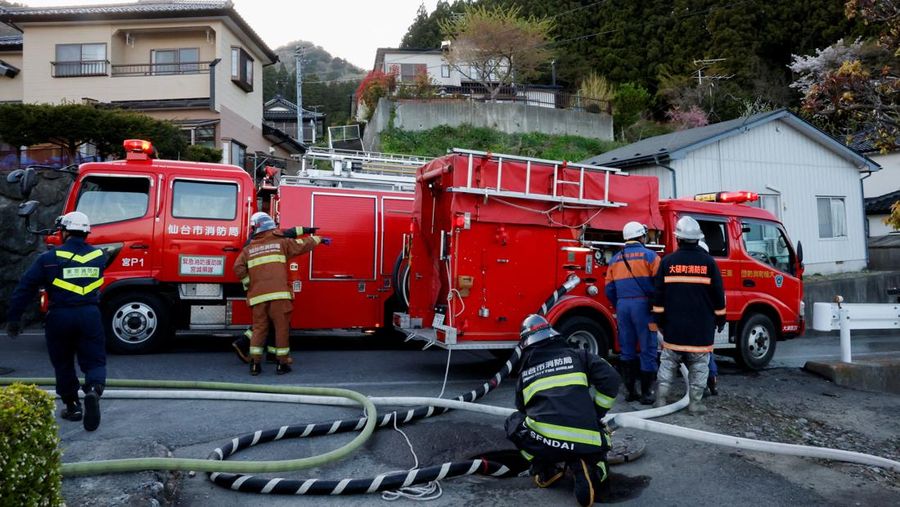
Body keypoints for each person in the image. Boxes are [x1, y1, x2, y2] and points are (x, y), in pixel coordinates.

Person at [505, 314, 621, 507]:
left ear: (527, 344)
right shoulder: (579, 356)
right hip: (589, 439)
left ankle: (546, 468)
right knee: (593, 447)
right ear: (553, 336)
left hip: (546, 443)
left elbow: (522, 409)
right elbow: (612, 380)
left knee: (513, 423)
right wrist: (597, 411)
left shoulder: (524, 375)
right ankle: (589, 467)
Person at [6, 211, 107, 431]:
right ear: (86, 233)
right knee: (95, 360)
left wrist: (14, 318)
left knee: (63, 363)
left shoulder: (48, 259)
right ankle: (94, 391)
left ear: (64, 232)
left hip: (60, 316)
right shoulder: (100, 256)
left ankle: (73, 407)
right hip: (90, 314)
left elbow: (24, 288)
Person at [233, 212, 326, 375]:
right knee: (281, 328)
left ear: (257, 228)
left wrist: (249, 283)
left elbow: (238, 268)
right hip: (279, 295)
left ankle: (255, 365)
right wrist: (318, 239)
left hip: (258, 297)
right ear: (270, 226)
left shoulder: (249, 249)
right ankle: (281, 365)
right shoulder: (281, 243)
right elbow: (301, 245)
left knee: (259, 328)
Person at [651, 216, 726, 414]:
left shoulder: (668, 262)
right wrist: (720, 319)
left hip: (674, 328)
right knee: (700, 366)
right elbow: (718, 295)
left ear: (678, 239)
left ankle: (660, 400)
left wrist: (659, 322)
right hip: (701, 328)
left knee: (667, 363)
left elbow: (658, 296)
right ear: (697, 239)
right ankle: (694, 404)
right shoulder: (709, 263)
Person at [605, 221, 660, 404]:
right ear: (641, 236)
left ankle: (630, 392)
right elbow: (660, 286)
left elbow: (609, 289)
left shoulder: (615, 259)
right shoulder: (651, 256)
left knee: (626, 349)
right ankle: (646, 393)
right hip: (644, 307)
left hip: (623, 307)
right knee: (648, 349)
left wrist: (619, 303)